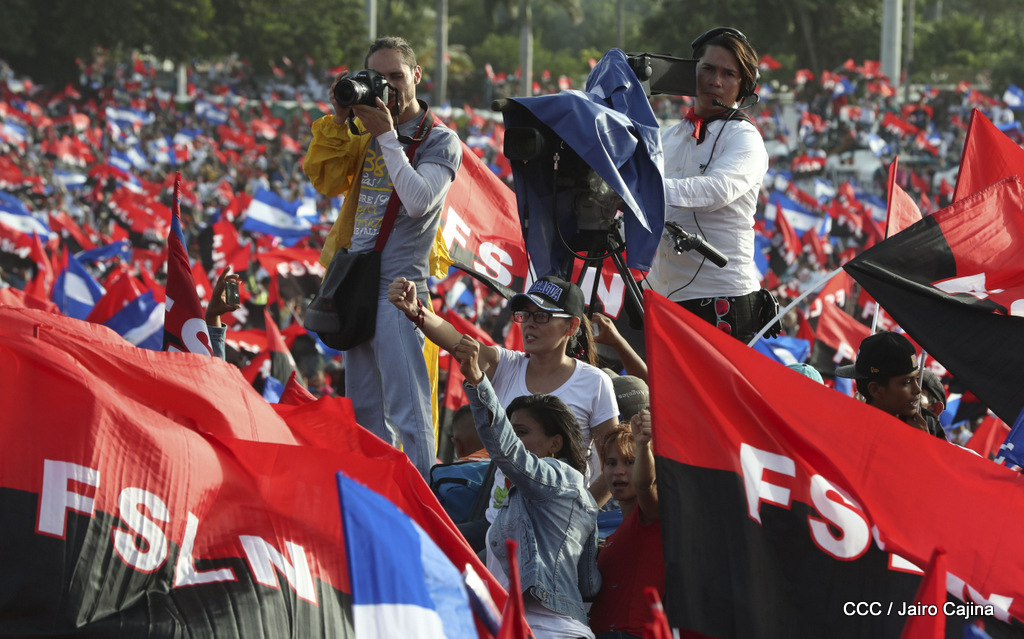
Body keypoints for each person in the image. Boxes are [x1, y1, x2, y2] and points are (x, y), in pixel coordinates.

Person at [303, 36, 463, 477]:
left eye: (397, 76)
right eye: (379, 77)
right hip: (356, 287)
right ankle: (377, 496)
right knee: (365, 415)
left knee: (410, 412)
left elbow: (418, 200)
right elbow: (327, 181)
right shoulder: (364, 132)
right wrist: (340, 119)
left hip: (400, 291)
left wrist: (388, 138)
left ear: (416, 75)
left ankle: (424, 500)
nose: (389, 86)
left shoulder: (441, 140)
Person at [389, 274, 620, 501]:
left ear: (572, 326)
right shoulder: (507, 366)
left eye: (541, 316)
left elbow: (612, 463)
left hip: (560, 520)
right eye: (525, 315)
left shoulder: (595, 383)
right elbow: (456, 340)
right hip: (499, 518)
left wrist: (583, 515)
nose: (529, 323)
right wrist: (416, 311)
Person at [455, 332, 601, 639]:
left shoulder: (559, 478)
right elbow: (589, 583)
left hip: (546, 631)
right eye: (512, 431)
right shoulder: (546, 498)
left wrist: (479, 383)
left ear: (554, 443)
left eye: (521, 432)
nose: (515, 439)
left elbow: (507, 451)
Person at [645, 27, 770, 344]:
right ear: (692, 72)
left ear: (744, 86)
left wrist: (642, 188)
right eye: (708, 69)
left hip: (724, 299)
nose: (715, 80)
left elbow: (716, 190)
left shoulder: (745, 138)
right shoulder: (669, 136)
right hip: (663, 297)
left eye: (728, 74)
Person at [589, 411, 663, 639]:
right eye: (611, 463)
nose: (618, 471)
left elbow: (644, 486)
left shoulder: (654, 515)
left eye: (630, 462)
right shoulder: (611, 537)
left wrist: (643, 444)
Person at [835, 332, 945, 439]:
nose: (918, 390)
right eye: (907, 382)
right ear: (875, 390)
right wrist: (919, 445)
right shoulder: (846, 429)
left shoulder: (929, 423)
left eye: (916, 379)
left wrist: (927, 442)